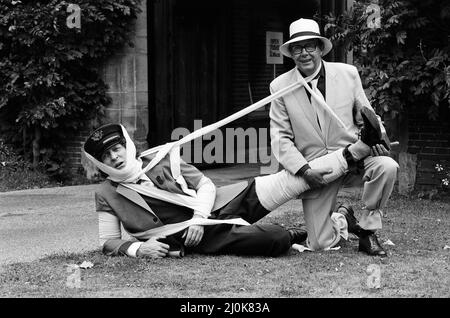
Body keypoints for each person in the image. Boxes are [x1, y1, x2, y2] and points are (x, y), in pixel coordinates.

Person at [83, 120, 381, 259]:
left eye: (118, 148)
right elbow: (108, 241)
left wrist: (201, 216)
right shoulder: (106, 193)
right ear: (101, 163)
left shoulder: (162, 156)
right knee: (277, 239)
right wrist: (138, 248)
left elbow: (206, 185)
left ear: (127, 145)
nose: (116, 157)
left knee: (288, 180)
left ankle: (358, 148)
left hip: (216, 206)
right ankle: (332, 223)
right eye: (106, 156)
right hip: (192, 234)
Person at [269, 18, 399, 257]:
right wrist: (304, 170)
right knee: (319, 243)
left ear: (320, 48)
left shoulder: (348, 74)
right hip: (318, 169)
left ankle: (368, 231)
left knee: (387, 167)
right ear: (291, 53)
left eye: (310, 46)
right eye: (297, 48)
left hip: (354, 157)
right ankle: (343, 218)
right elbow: (281, 139)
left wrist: (379, 136)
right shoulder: (279, 87)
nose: (304, 53)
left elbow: (367, 115)